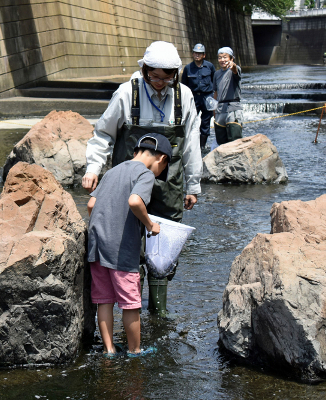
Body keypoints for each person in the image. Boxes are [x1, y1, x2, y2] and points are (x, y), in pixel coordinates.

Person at [83, 41, 202, 317]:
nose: (160, 83)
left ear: (176, 74)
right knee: (128, 248)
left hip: (169, 184)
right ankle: (130, 310)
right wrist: (93, 168)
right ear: (145, 69)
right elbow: (103, 134)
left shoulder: (184, 96)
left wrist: (193, 185)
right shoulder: (127, 93)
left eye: (167, 77)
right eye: (154, 76)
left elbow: (192, 143)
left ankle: (158, 314)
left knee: (163, 251)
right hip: (128, 186)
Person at [87, 133, 171, 356]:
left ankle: (110, 349)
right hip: (121, 248)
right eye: (163, 169)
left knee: (104, 300)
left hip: (97, 245)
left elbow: (91, 205)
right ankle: (135, 350)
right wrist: (149, 224)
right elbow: (135, 201)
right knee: (130, 303)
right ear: (161, 159)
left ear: (136, 151)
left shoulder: (112, 171)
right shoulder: (145, 174)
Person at [181, 43, 216, 149]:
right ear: (192, 54)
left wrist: (214, 98)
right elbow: (184, 85)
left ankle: (202, 146)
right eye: (195, 53)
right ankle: (190, 145)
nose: (197, 55)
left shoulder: (209, 66)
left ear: (204, 55)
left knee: (205, 122)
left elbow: (214, 81)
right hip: (194, 98)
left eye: (200, 53)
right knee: (190, 121)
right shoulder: (188, 68)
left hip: (207, 98)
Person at [213, 47, 243, 145]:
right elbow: (215, 93)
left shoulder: (235, 69)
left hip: (233, 108)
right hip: (220, 109)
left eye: (225, 57)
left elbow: (235, 70)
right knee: (221, 141)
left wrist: (232, 65)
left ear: (231, 58)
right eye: (220, 58)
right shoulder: (216, 74)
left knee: (235, 140)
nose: (222, 60)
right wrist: (214, 111)